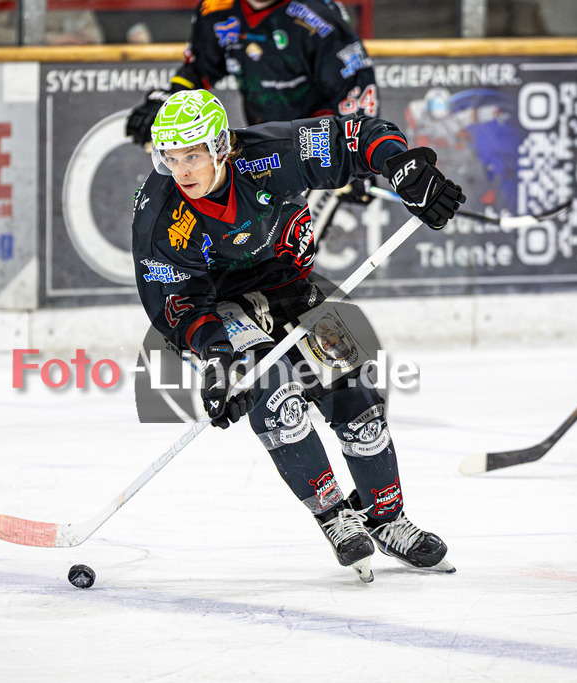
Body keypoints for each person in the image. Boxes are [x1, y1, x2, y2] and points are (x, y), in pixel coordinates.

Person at [131, 89, 464, 581]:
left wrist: (402, 167)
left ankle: (387, 518)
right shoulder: (160, 216)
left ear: (221, 146)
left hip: (291, 288)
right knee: (275, 392)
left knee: (359, 399)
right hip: (221, 312)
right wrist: (218, 361)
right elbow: (177, 305)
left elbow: (359, 135)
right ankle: (334, 515)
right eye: (171, 157)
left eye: (193, 155)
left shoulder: (273, 154)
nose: (181, 170)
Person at [125, 0, 378, 206]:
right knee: (260, 241)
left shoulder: (318, 16)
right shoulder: (217, 10)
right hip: (263, 140)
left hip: (317, 142)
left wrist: (354, 154)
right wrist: (169, 101)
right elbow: (200, 67)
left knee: (294, 242)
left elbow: (355, 88)